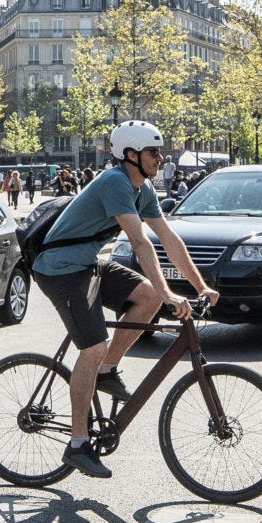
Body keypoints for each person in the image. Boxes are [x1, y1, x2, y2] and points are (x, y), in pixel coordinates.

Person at [29, 120, 214, 478]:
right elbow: (141, 242)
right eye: (153, 152)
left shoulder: (142, 189)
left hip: (86, 264)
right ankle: (78, 444)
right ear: (131, 155)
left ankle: (107, 370)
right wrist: (168, 291)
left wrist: (200, 286)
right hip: (60, 270)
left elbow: (169, 239)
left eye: (160, 152)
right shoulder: (115, 181)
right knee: (93, 345)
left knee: (146, 298)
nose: (161, 158)